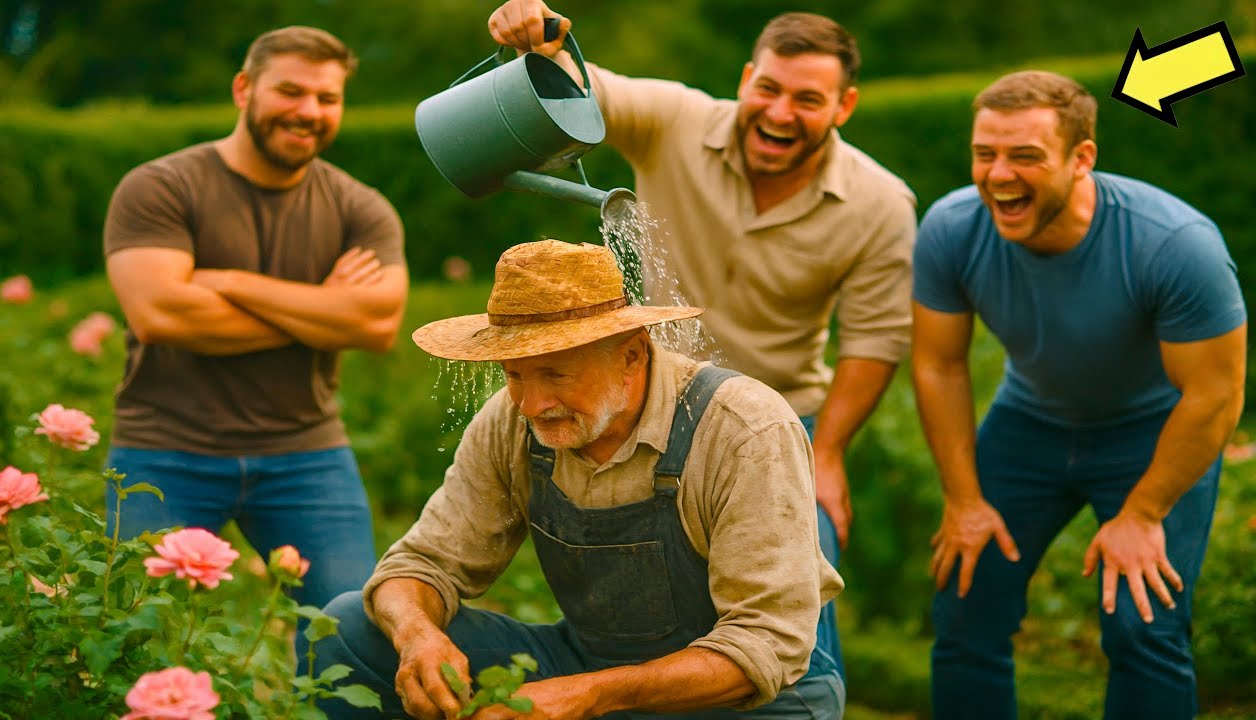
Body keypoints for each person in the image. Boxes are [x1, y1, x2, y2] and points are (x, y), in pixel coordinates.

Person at [488, 0, 918, 682]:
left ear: (845, 105)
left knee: (798, 599)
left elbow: (873, 342)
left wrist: (828, 455)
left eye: (808, 99)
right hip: (654, 407)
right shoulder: (675, 119)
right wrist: (541, 42)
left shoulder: (878, 202)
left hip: (781, 421)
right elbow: (585, 86)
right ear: (746, 78)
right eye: (769, 89)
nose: (779, 112)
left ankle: (806, 698)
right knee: (651, 603)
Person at [313, 239, 845, 719]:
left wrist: (591, 694)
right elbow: (421, 565)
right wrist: (418, 636)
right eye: (514, 374)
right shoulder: (512, 421)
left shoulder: (741, 429)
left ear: (631, 354)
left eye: (555, 374)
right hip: (590, 669)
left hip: (752, 703)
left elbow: (767, 644)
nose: (531, 404)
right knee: (352, 629)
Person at [911, 70, 1246, 719]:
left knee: (1144, 628)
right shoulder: (951, 228)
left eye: (1026, 156)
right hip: (1028, 424)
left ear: (1082, 158)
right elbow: (940, 366)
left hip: (1154, 433)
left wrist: (1144, 514)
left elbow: (1214, 395)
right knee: (964, 606)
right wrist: (964, 498)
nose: (998, 175)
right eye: (985, 154)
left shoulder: (1174, 245)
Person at [102, 26, 408, 610]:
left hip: (307, 453)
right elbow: (161, 315)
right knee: (135, 629)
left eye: (327, 98)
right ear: (244, 89)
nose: (309, 111)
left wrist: (228, 282)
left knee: (352, 626)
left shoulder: (359, 207)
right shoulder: (160, 187)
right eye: (290, 91)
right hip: (164, 448)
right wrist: (323, 307)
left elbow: (377, 326)